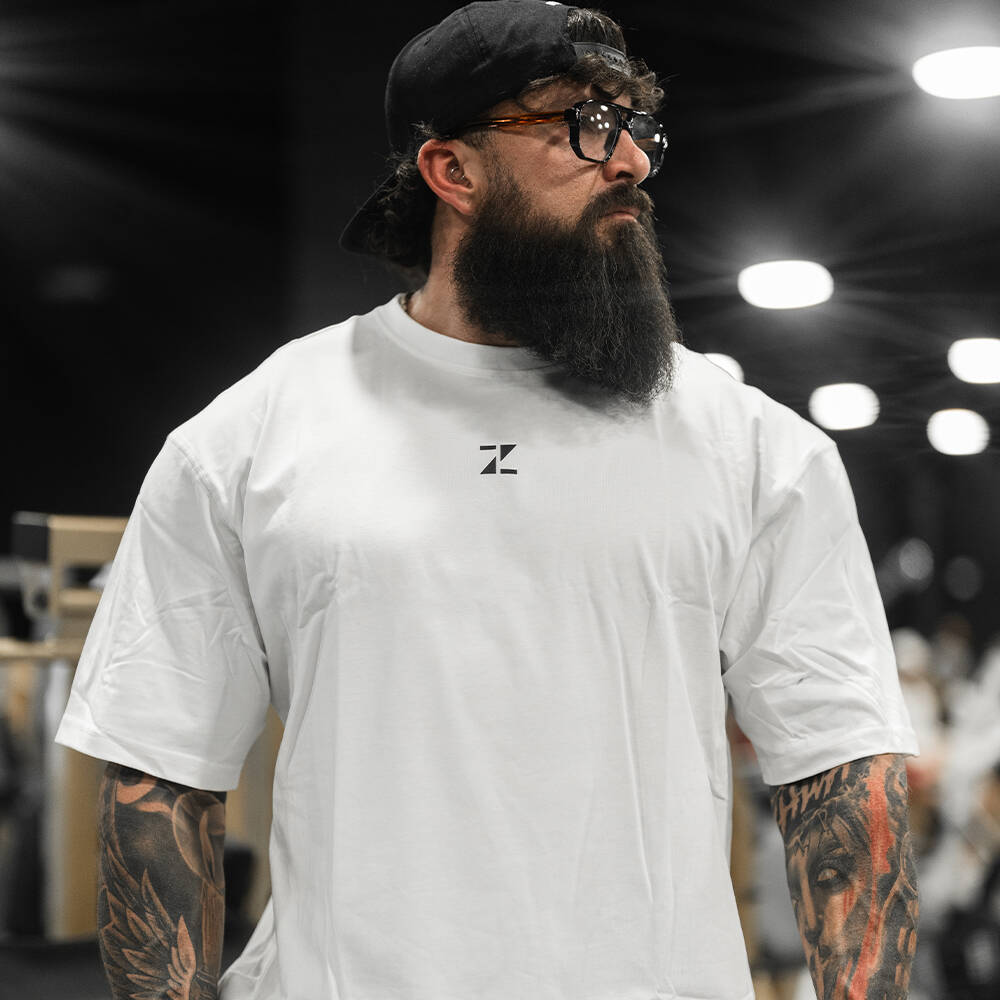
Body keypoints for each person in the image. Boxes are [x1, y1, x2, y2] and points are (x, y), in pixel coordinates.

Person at [55, 3, 921, 998]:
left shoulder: (756, 449)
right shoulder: (249, 441)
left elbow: (840, 771)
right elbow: (157, 776)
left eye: (635, 126)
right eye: (583, 126)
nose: (630, 161)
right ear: (452, 170)